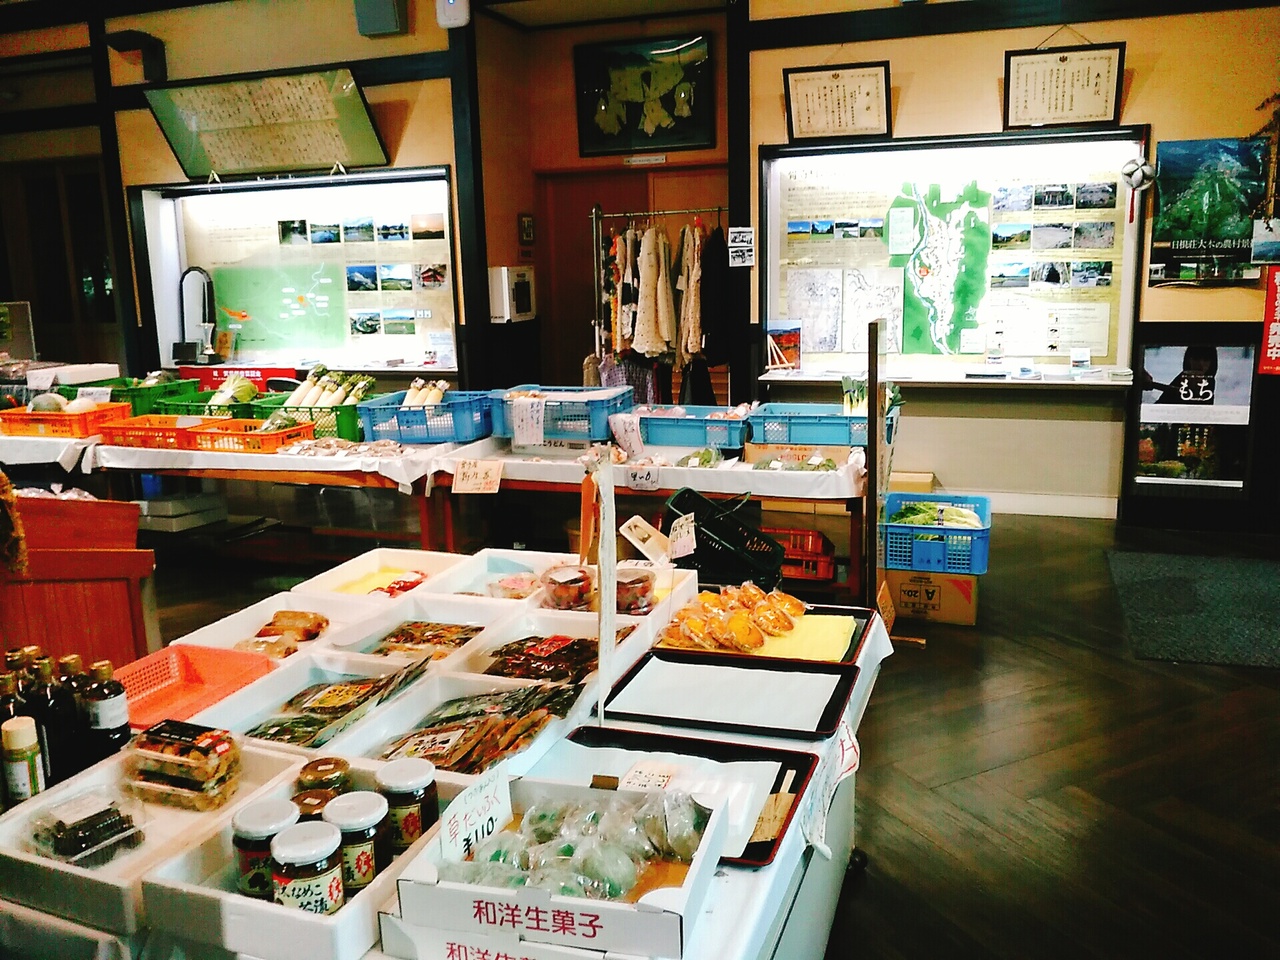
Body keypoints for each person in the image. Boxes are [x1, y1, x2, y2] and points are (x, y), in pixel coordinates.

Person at [1141, 345, 1218, 404]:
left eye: (1206, 360)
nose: (1201, 364)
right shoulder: (1182, 378)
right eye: (1196, 359)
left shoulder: (1209, 381)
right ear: (1189, 360)